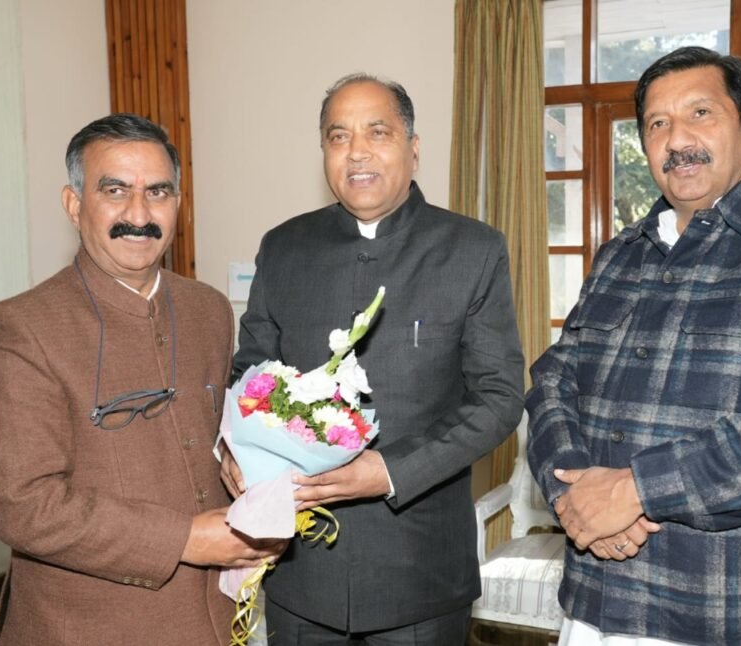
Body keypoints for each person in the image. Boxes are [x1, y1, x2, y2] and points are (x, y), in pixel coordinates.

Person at [526, 46, 741, 646]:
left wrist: (636, 489)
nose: (676, 139)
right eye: (657, 123)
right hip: (600, 595)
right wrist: (573, 490)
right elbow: (555, 380)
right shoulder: (620, 254)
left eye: (700, 114)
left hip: (735, 612)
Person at [222, 73, 525, 644]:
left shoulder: (473, 249)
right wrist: (234, 451)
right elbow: (249, 375)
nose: (356, 151)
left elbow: (499, 398)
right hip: (299, 573)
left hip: (420, 574)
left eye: (377, 132)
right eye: (338, 136)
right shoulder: (283, 247)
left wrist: (389, 471)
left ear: (413, 147)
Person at [0, 113, 286, 646]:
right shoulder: (18, 328)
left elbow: (213, 437)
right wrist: (185, 539)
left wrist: (250, 475)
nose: (139, 214)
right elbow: (23, 505)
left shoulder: (208, 309)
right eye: (115, 190)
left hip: (215, 617)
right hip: (86, 626)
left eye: (158, 192)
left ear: (178, 204)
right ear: (74, 204)